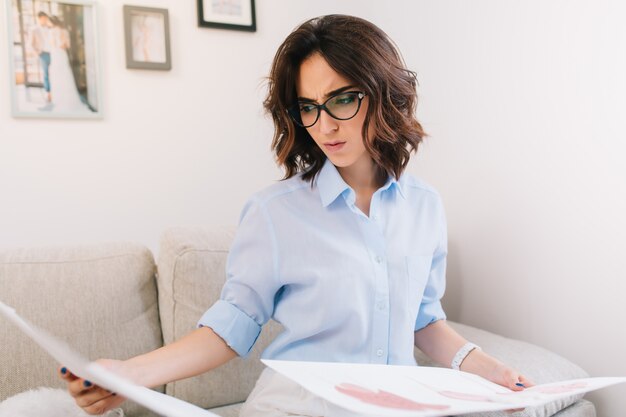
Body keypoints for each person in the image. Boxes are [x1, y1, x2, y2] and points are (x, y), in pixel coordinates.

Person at [60, 14, 532, 416]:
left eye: (342, 99)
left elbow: (424, 320)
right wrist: (130, 373)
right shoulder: (275, 213)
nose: (324, 125)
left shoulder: (425, 206)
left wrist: (492, 370)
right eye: (308, 107)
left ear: (384, 92)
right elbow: (231, 325)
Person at [47, 16, 89, 113]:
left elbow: (52, 45)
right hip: (62, 54)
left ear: (52, 22)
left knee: (57, 75)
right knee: (65, 74)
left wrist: (56, 42)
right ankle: (69, 98)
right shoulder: (64, 31)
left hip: (56, 54)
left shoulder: (52, 31)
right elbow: (67, 45)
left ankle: (59, 99)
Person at [31, 11, 52, 108]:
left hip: (53, 53)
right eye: (43, 18)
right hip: (43, 53)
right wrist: (38, 53)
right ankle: (48, 93)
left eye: (46, 18)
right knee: (46, 73)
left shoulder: (50, 27)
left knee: (54, 73)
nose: (45, 20)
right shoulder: (34, 29)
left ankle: (55, 92)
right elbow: (30, 44)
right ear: (39, 18)